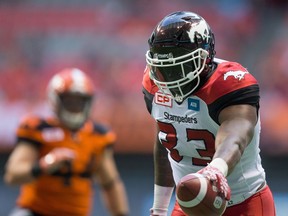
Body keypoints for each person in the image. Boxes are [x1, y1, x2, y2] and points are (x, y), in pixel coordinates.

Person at [142, 11, 276, 216]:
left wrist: (217, 169)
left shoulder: (229, 82)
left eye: (180, 66)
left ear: (204, 57)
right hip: (190, 203)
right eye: (165, 68)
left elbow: (235, 136)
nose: (170, 78)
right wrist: (160, 208)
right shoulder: (154, 84)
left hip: (244, 202)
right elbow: (165, 140)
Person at [4, 68, 129, 216]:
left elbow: (110, 184)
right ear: (55, 100)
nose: (75, 107)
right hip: (36, 211)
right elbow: (12, 175)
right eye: (69, 101)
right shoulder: (38, 129)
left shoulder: (97, 136)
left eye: (80, 101)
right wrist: (45, 164)